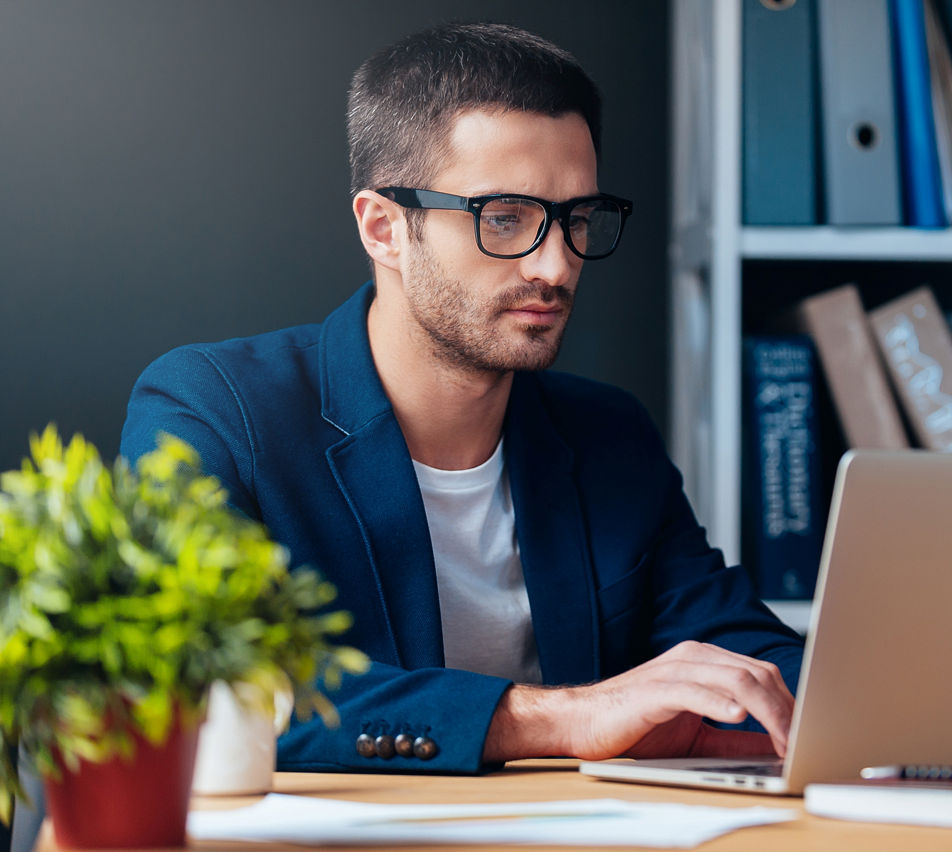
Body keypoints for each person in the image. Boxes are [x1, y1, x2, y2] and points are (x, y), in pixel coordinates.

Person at [121, 22, 802, 774]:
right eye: (504, 217)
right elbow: (203, 684)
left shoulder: (608, 436)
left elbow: (744, 651)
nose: (556, 264)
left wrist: (862, 703)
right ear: (384, 228)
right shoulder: (215, 412)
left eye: (577, 218)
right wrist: (562, 717)